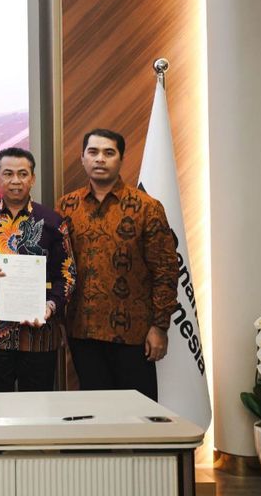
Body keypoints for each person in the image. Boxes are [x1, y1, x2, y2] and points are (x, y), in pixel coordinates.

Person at [59, 128, 178, 401]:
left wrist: (160, 327)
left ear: (121, 159)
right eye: (93, 152)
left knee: (139, 414)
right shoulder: (67, 206)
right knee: (95, 413)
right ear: (82, 158)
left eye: (109, 153)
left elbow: (166, 271)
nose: (100, 159)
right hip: (83, 330)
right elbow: (59, 266)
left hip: (134, 333)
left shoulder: (147, 207)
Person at [0, 147, 75, 392]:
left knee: (37, 407)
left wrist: (51, 306)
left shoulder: (52, 221)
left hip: (40, 334)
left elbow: (68, 274)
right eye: (8, 174)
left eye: (23, 174)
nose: (15, 180)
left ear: (32, 178)